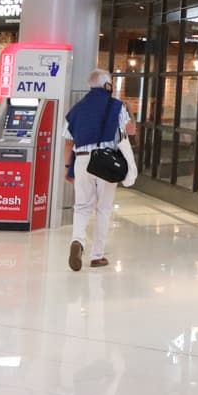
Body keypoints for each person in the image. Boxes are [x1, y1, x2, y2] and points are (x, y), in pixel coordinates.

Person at [61, 69, 138, 272]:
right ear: (107, 86)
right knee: (103, 209)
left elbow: (68, 143)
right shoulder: (116, 106)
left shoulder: (77, 109)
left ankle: (77, 241)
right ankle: (97, 256)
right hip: (106, 161)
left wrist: (68, 168)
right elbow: (130, 131)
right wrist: (129, 113)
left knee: (81, 206)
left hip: (82, 161)